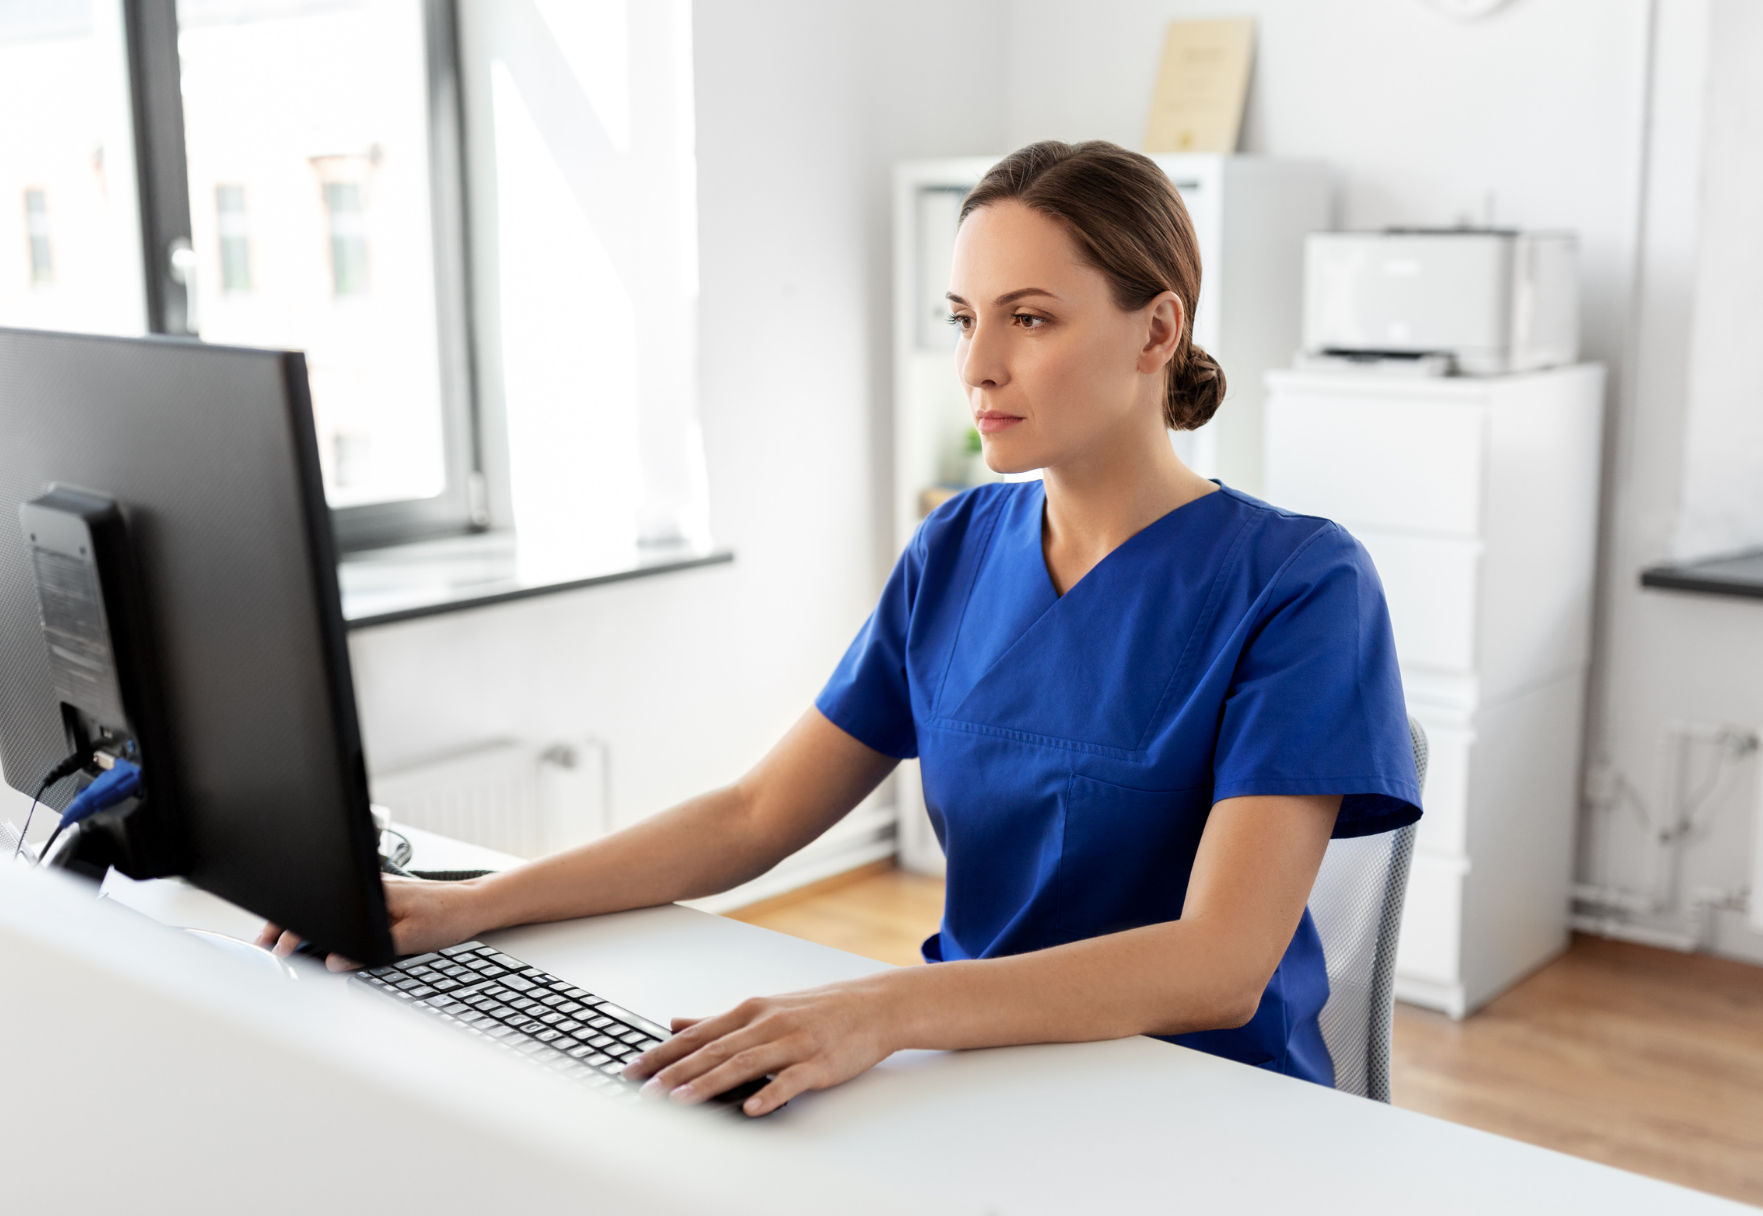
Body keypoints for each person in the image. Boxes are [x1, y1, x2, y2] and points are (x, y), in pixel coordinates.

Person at [263, 139, 1420, 1116]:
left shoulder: (1298, 583)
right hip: (973, 1068)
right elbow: (757, 813)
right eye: (964, 318)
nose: (975, 365)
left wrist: (876, 1009)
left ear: (1155, 331)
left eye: (1028, 318)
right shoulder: (957, 549)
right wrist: (468, 908)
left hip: (1199, 1105)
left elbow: (1219, 965)